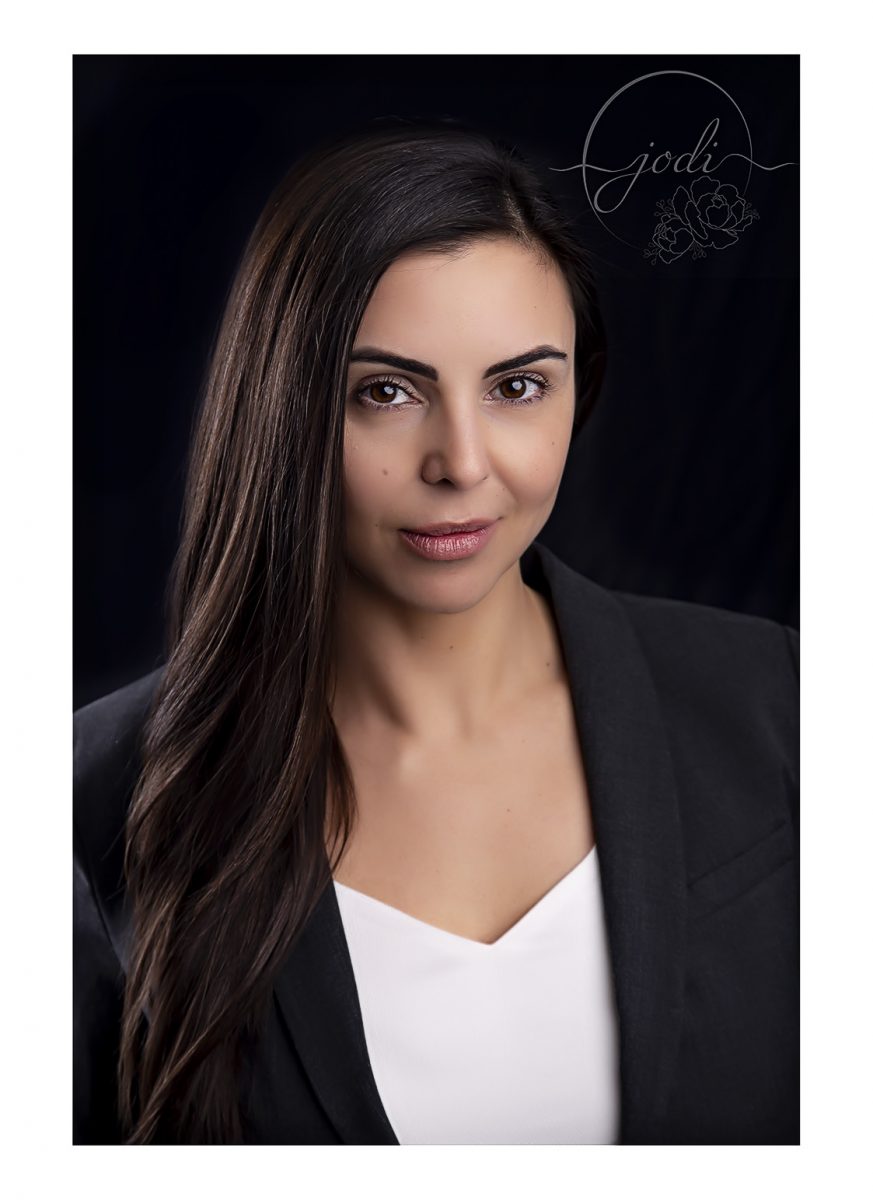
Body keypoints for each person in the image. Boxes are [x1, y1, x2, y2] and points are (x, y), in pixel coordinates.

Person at [73, 118, 799, 1146]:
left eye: (517, 387)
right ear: (282, 409)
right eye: (386, 392)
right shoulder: (85, 800)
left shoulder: (779, 702)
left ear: (577, 390)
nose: (461, 462)